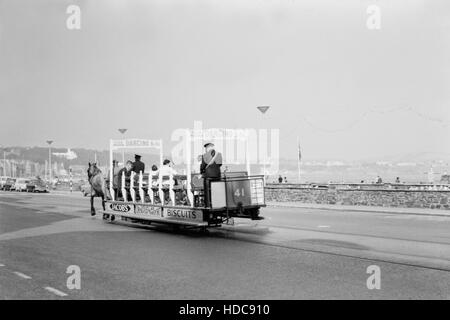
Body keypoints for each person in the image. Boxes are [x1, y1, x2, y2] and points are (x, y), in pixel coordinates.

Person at [200, 143, 222, 207]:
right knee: (217, 190)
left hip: (208, 176)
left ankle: (208, 204)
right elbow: (220, 164)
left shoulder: (204, 155)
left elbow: (203, 166)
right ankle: (218, 203)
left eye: (206, 148)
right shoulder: (219, 154)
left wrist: (201, 171)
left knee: (207, 191)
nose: (205, 149)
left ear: (208, 148)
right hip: (217, 175)